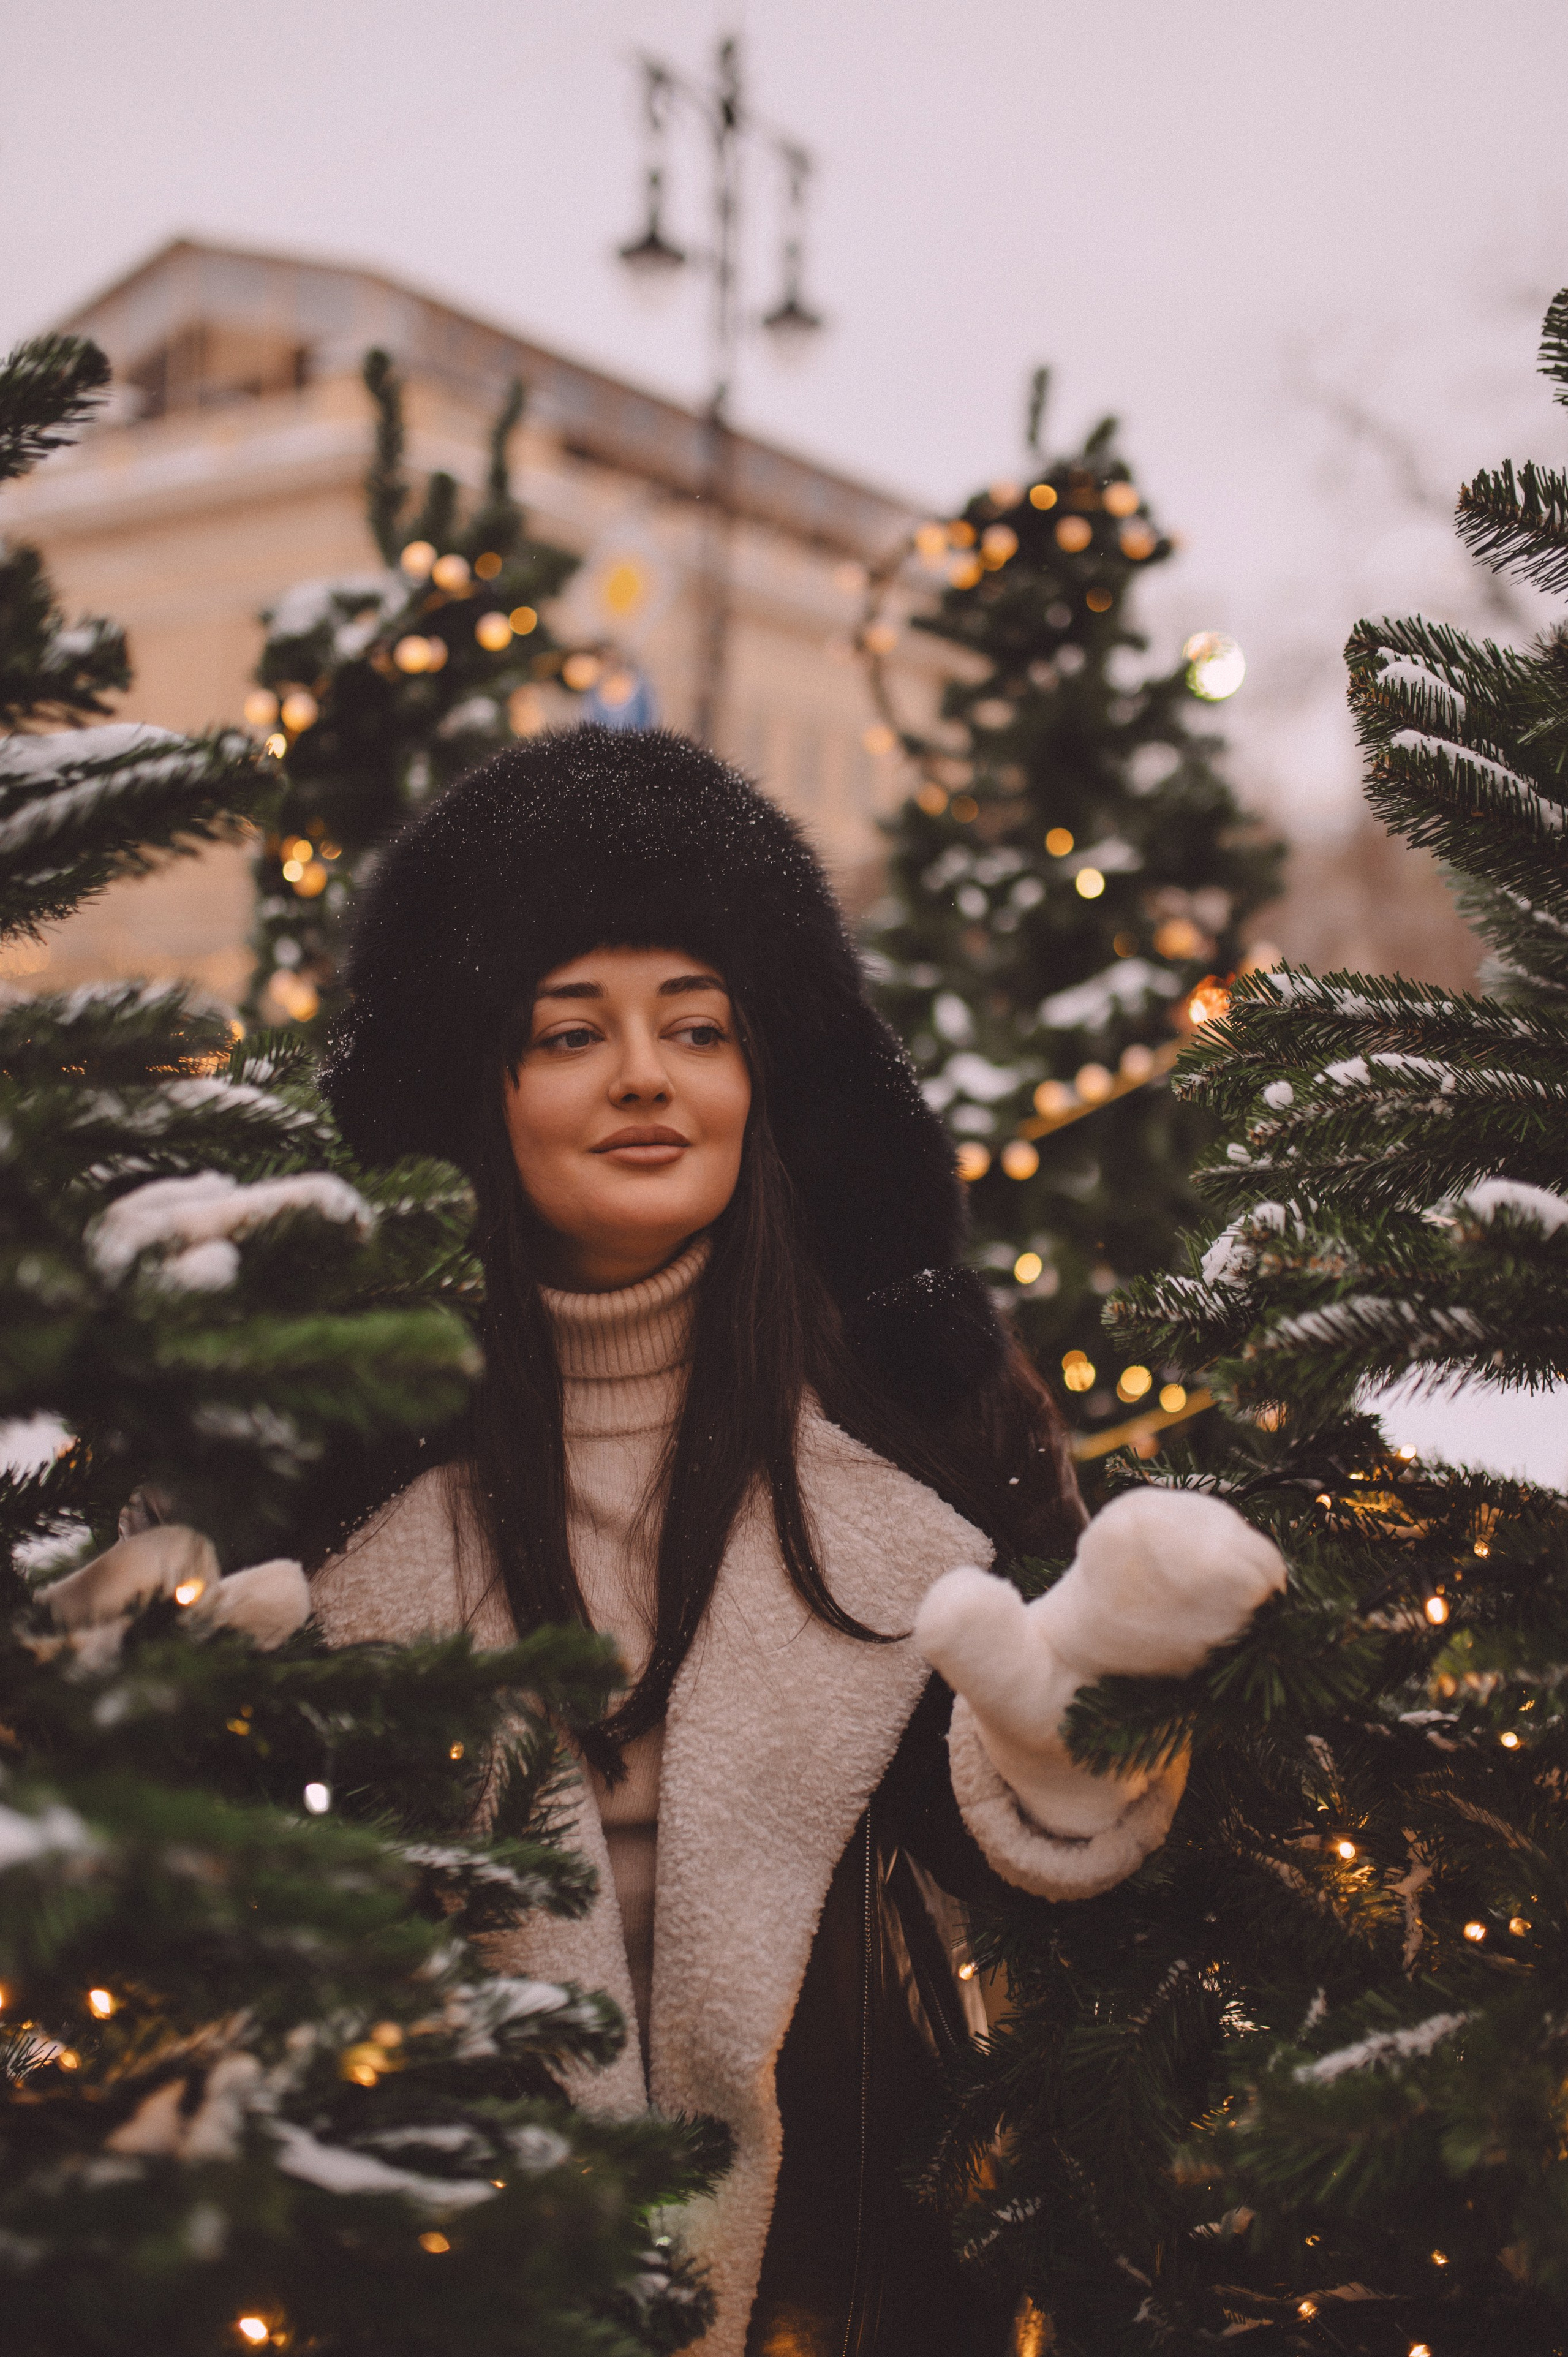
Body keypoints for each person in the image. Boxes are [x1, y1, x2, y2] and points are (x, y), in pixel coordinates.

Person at [311, 728, 1285, 2357]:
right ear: (470, 1089)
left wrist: (1067, 1755)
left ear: (767, 1072)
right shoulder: (326, 1471)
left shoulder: (921, 1422)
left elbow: (1030, 1850)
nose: (646, 1075)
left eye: (698, 1025)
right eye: (572, 1033)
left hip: (843, 2291)